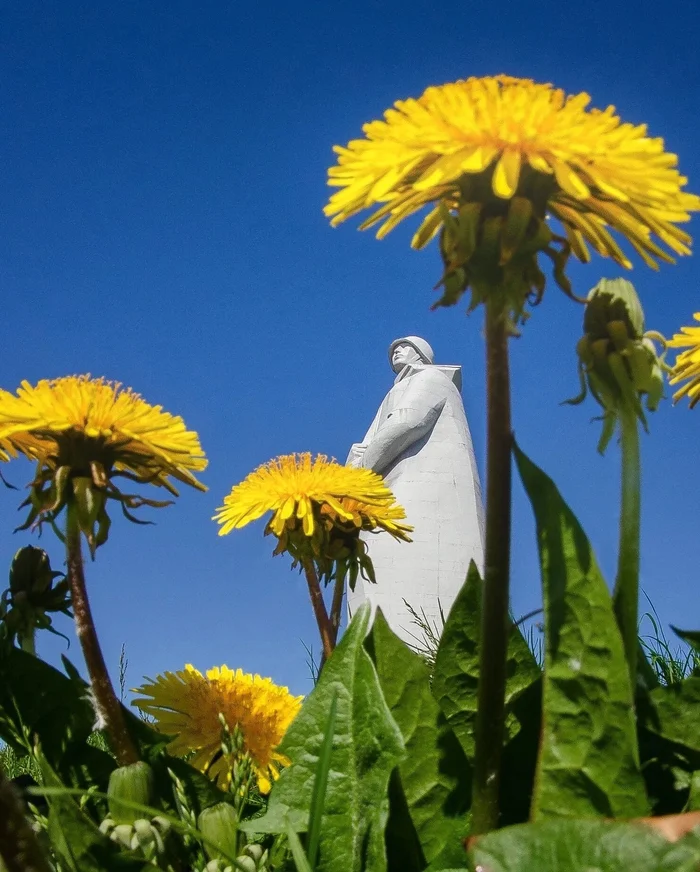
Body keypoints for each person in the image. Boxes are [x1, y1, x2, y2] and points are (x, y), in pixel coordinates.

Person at [346, 336, 484, 644]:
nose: (396, 350)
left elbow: (406, 423)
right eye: (393, 347)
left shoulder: (432, 379)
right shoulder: (397, 390)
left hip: (418, 496)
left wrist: (351, 479)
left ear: (422, 354)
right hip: (389, 494)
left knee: (408, 577)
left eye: (404, 346)